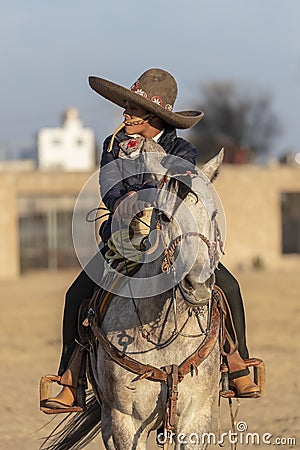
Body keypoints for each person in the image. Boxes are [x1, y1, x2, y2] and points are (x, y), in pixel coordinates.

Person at [41, 68, 260, 412]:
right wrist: (130, 203)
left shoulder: (182, 149)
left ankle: (237, 364)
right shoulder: (113, 145)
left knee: (228, 286)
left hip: (170, 234)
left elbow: (180, 191)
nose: (126, 113)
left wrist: (154, 201)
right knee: (77, 294)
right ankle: (71, 379)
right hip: (124, 239)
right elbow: (111, 190)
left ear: (154, 115)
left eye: (134, 108)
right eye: (127, 106)